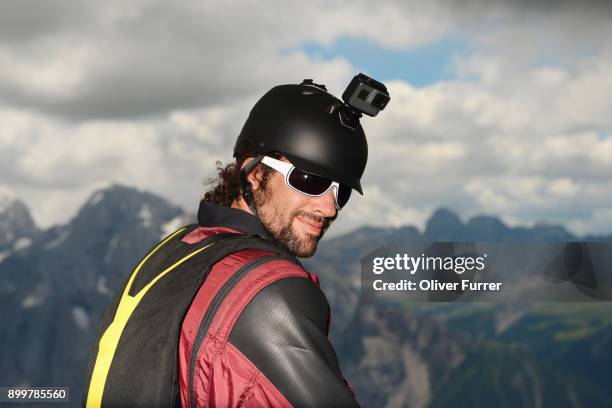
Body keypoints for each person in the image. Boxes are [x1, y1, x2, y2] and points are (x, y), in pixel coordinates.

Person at [84, 75, 389, 407]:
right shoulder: (271, 290)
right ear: (255, 173)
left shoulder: (173, 251)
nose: (329, 207)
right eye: (310, 180)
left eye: (340, 190)